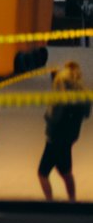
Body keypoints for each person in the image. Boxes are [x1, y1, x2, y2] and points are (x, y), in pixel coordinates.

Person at [38, 61, 89, 202]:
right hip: (69, 138)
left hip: (55, 137)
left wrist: (47, 118)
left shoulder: (61, 94)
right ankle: (72, 201)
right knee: (66, 172)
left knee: (42, 173)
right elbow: (86, 113)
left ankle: (50, 202)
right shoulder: (82, 93)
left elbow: (54, 116)